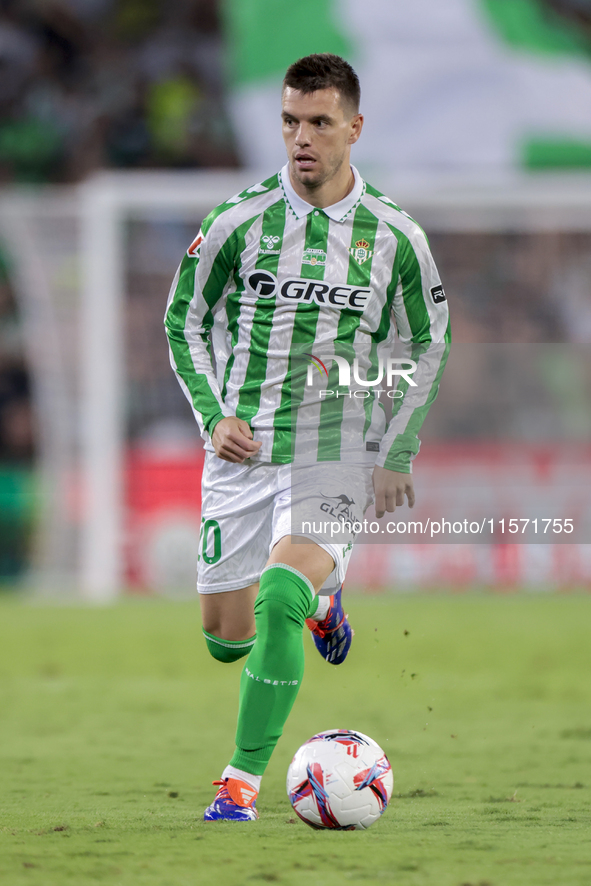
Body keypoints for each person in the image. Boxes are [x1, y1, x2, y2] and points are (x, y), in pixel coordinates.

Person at [164, 53, 450, 821]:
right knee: (225, 640)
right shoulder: (235, 221)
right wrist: (213, 414)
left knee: (277, 601)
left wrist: (396, 450)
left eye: (320, 122)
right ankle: (326, 596)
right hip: (242, 454)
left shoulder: (393, 235)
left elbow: (428, 341)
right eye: (290, 121)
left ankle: (239, 783)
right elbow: (182, 321)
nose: (302, 138)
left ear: (353, 128)